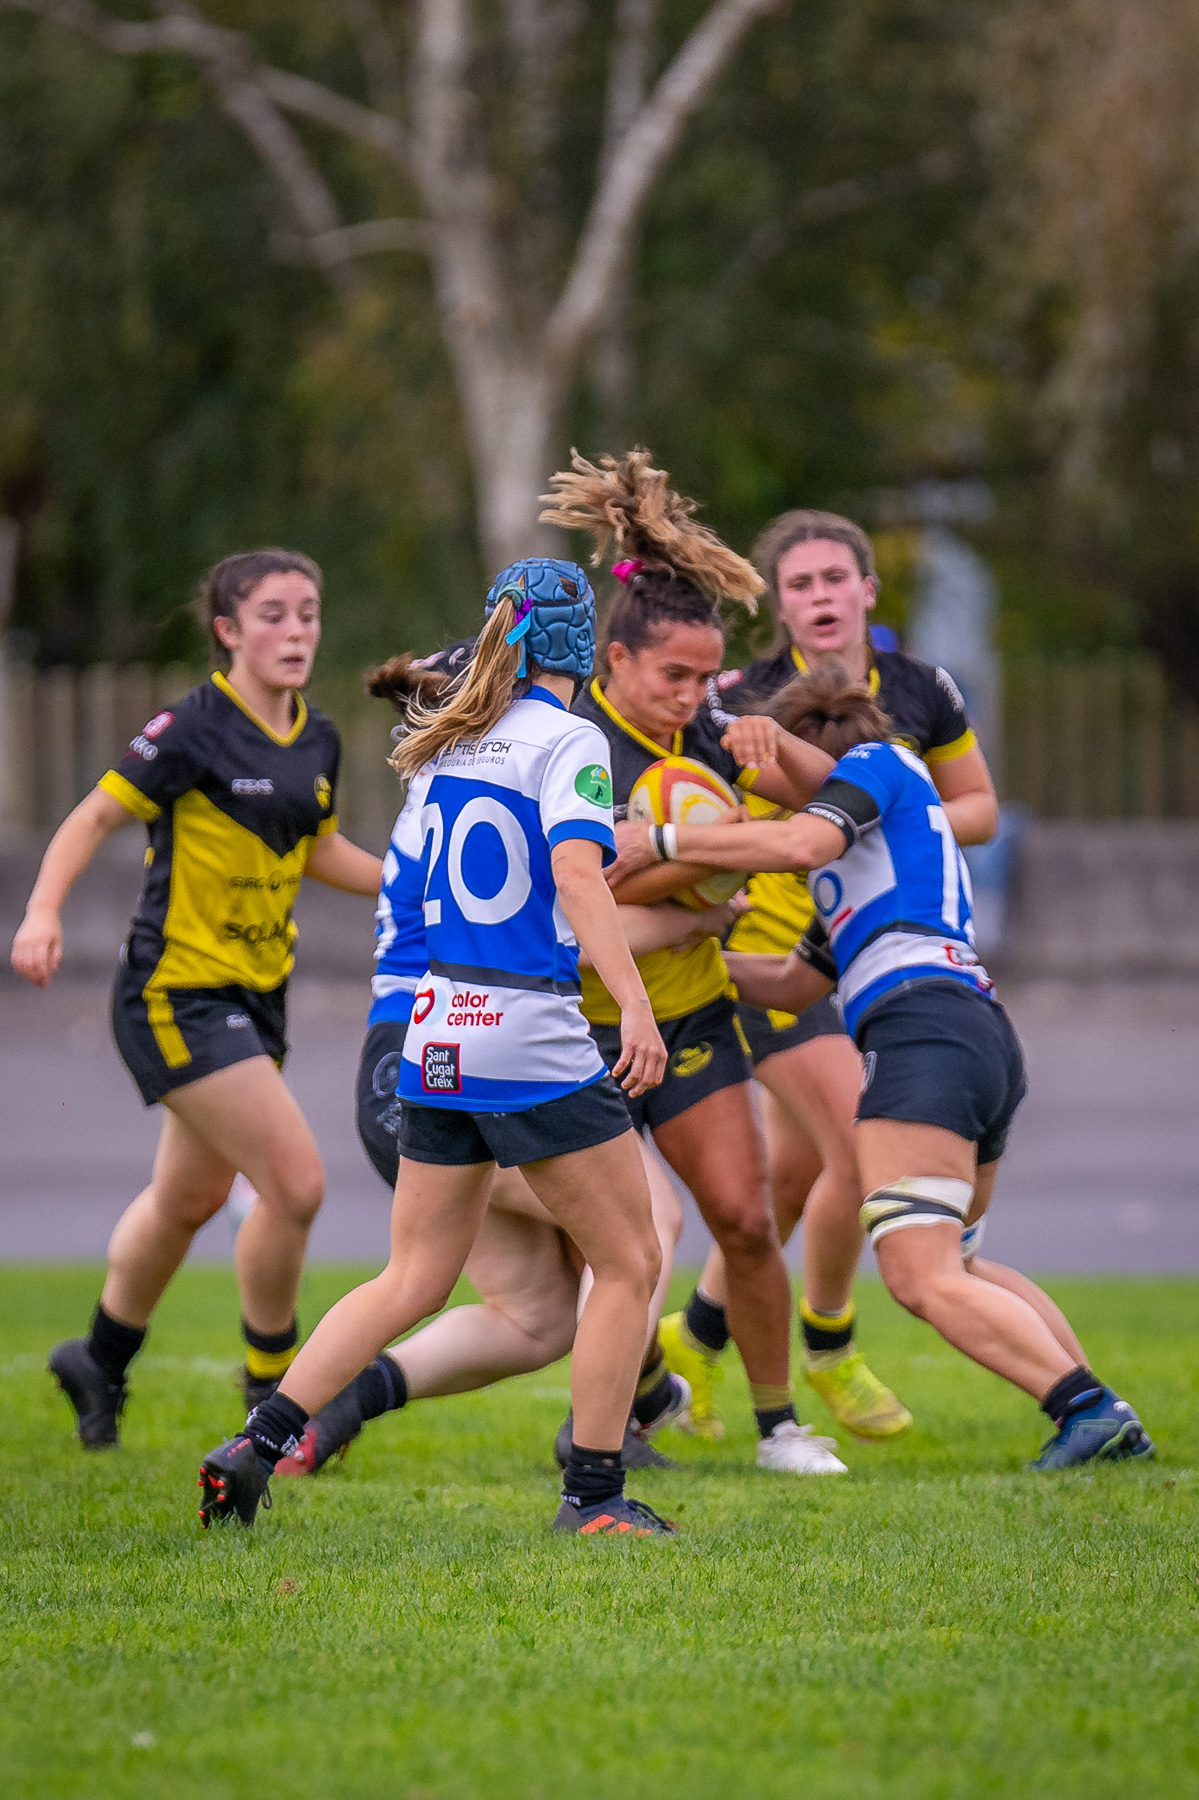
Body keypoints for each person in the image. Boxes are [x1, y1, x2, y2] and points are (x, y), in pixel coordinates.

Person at [197, 556, 679, 1538]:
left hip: (433, 1033)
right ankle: (592, 1498)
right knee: (628, 1260)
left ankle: (252, 1447)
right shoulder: (569, 740)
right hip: (529, 1033)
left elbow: (410, 896)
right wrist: (632, 1006)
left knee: (411, 1277)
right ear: (578, 645)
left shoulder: (443, 748)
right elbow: (580, 885)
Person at [613, 662, 1155, 1471]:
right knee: (961, 1264)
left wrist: (660, 838)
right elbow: (795, 985)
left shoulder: (882, 765)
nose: (769, 799)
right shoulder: (867, 870)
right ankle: (1102, 1410)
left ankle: (1085, 1409)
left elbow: (799, 829)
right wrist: (702, 948)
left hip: (921, 1032)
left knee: (917, 1274)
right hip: (967, 1031)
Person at [281, 651, 720, 1479]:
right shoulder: (532, 764)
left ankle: (322, 1411)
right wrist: (696, 911)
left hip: (410, 1057)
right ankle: (613, 1435)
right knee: (643, 1227)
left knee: (535, 1316)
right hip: (472, 1043)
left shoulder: (438, 775)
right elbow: (573, 917)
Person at [9, 550, 384, 1448]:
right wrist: (41, 911)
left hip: (256, 998)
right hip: (175, 994)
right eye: (273, 615)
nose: (296, 632)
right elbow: (96, 815)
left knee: (185, 1200)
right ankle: (273, 1396)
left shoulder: (317, 737)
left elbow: (318, 849)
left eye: (308, 613)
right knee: (293, 1183)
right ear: (227, 631)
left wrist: (418, 887)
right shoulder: (191, 728)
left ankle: (97, 1360)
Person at [537, 449, 848, 1475]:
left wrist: (770, 748)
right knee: (620, 1245)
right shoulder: (570, 746)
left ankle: (778, 1426)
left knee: (745, 1219)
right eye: (673, 675)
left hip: (693, 1017)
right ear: (614, 663)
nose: (692, 695)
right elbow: (572, 903)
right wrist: (688, 881)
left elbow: (837, 804)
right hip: (579, 1024)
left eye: (706, 676)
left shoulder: (716, 733)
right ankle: (610, 1427)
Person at [664, 509, 998, 1444]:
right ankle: (827, 1343)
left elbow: (977, 810)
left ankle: (692, 1341)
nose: (817, 598)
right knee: (860, 1145)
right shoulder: (736, 696)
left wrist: (885, 811)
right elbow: (700, 805)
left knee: (778, 1187)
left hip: (860, 961)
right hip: (774, 965)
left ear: (866, 592)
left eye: (832, 580)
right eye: (799, 584)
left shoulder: (921, 689)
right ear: (780, 600)